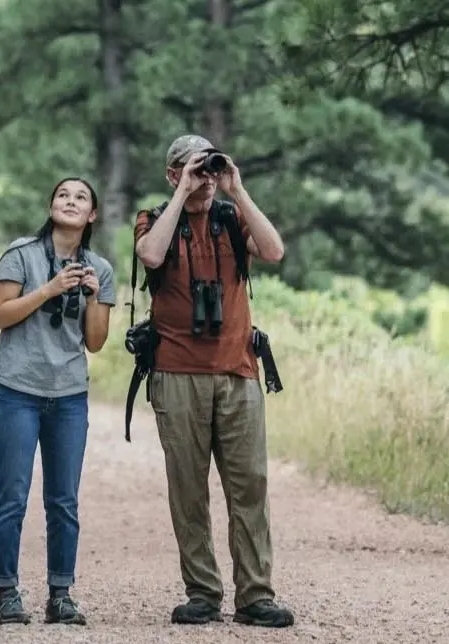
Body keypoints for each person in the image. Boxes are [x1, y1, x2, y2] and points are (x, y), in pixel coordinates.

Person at [132, 134, 293, 628]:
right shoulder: (154, 217)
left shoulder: (230, 217)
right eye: (189, 168)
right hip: (177, 372)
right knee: (188, 487)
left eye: (207, 167)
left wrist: (235, 188)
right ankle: (202, 592)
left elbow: (274, 250)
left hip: (239, 371)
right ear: (171, 173)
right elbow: (151, 257)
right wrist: (183, 195)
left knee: (249, 486)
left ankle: (255, 596)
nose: (202, 177)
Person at [0, 176, 116, 626]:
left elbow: (95, 343)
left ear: (92, 215)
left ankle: (61, 594)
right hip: (17, 390)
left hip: (68, 396)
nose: (71, 201)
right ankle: (6, 593)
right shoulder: (20, 254)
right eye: (63, 195)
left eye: (81, 197)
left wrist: (96, 296)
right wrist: (50, 288)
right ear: (51, 205)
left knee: (63, 500)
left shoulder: (100, 267)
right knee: (12, 495)